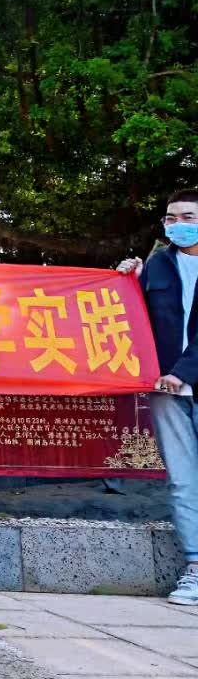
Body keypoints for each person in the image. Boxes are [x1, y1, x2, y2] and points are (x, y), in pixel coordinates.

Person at [117, 187, 198, 605]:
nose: (177, 225)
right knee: (183, 481)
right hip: (166, 391)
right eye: (171, 218)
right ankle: (195, 568)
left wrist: (182, 373)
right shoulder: (157, 266)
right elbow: (130, 318)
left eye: (187, 217)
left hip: (182, 379)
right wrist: (125, 280)